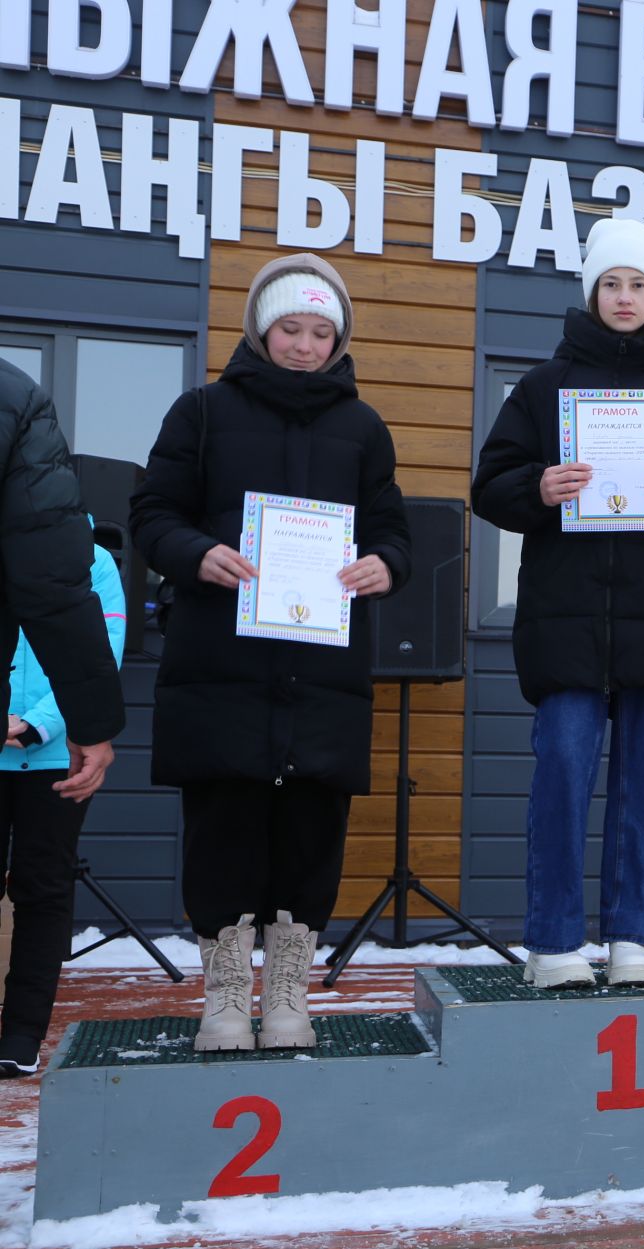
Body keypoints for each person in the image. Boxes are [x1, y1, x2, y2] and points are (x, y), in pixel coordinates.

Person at [132, 253, 412, 1052]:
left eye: (321, 331)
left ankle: (288, 991)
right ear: (262, 328)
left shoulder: (364, 428)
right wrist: (193, 554)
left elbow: (393, 529)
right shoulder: (203, 413)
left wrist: (384, 564)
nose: (304, 344)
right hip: (222, 667)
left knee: (310, 833)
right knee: (223, 829)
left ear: (338, 339)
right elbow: (152, 510)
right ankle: (224, 996)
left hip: (323, 676)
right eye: (290, 327)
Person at [473, 217, 644, 989]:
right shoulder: (543, 387)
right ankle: (555, 944)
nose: (624, 297)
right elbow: (490, 484)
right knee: (561, 776)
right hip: (565, 623)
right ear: (591, 292)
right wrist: (537, 487)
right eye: (611, 283)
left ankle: (636, 936)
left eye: (637, 284)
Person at [0, 531, 125, 1077]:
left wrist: (37, 726)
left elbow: (100, 652)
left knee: (42, 888)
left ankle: (21, 1036)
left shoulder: (92, 561)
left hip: (53, 758)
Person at [0, 357, 123, 804]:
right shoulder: (17, 397)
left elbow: (102, 631)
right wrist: (92, 725)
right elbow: (53, 591)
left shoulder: (99, 561)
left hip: (45, 752)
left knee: (46, 872)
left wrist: (41, 724)